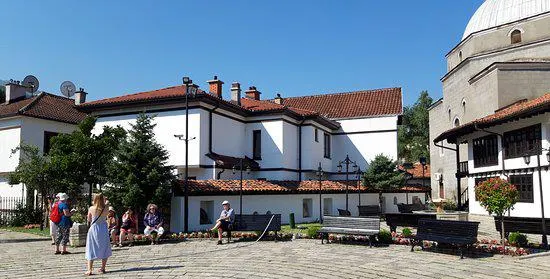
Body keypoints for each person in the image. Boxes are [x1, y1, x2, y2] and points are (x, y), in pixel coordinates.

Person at [85, 193, 112, 276]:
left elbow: (89, 219)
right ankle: (103, 268)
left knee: (91, 247)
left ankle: (89, 269)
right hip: (103, 228)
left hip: (94, 228)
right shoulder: (106, 208)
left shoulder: (91, 208)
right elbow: (107, 204)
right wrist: (106, 201)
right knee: (104, 247)